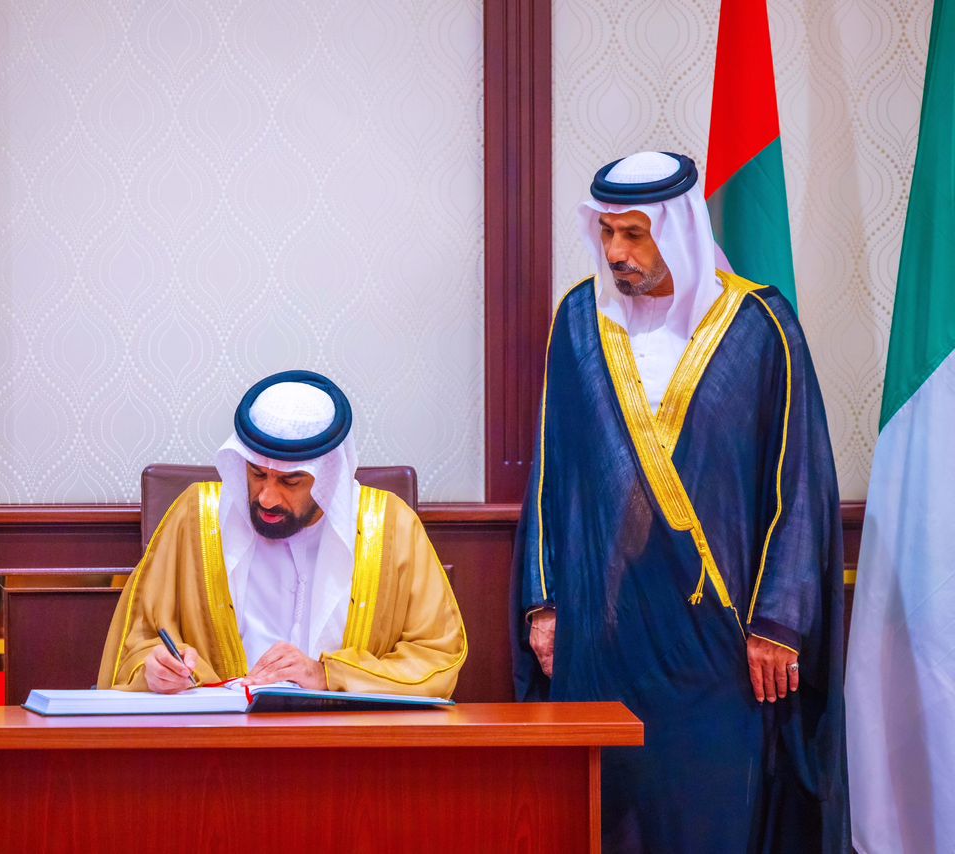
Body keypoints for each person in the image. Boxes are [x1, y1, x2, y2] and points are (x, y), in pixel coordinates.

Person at [512, 151, 848, 852]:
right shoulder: (579, 320)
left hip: (718, 646)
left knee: (710, 819)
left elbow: (799, 480)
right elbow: (551, 468)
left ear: (680, 228)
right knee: (601, 818)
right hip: (601, 636)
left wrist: (780, 621)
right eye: (607, 233)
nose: (616, 252)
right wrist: (543, 604)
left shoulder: (758, 325)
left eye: (635, 234)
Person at [99, 370, 466, 696]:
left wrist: (327, 675)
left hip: (346, 740)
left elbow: (436, 656)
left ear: (329, 475)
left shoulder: (390, 526)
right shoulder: (195, 517)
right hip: (218, 742)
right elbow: (136, 645)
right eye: (257, 474)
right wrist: (156, 671)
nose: (267, 498)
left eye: (291, 481)